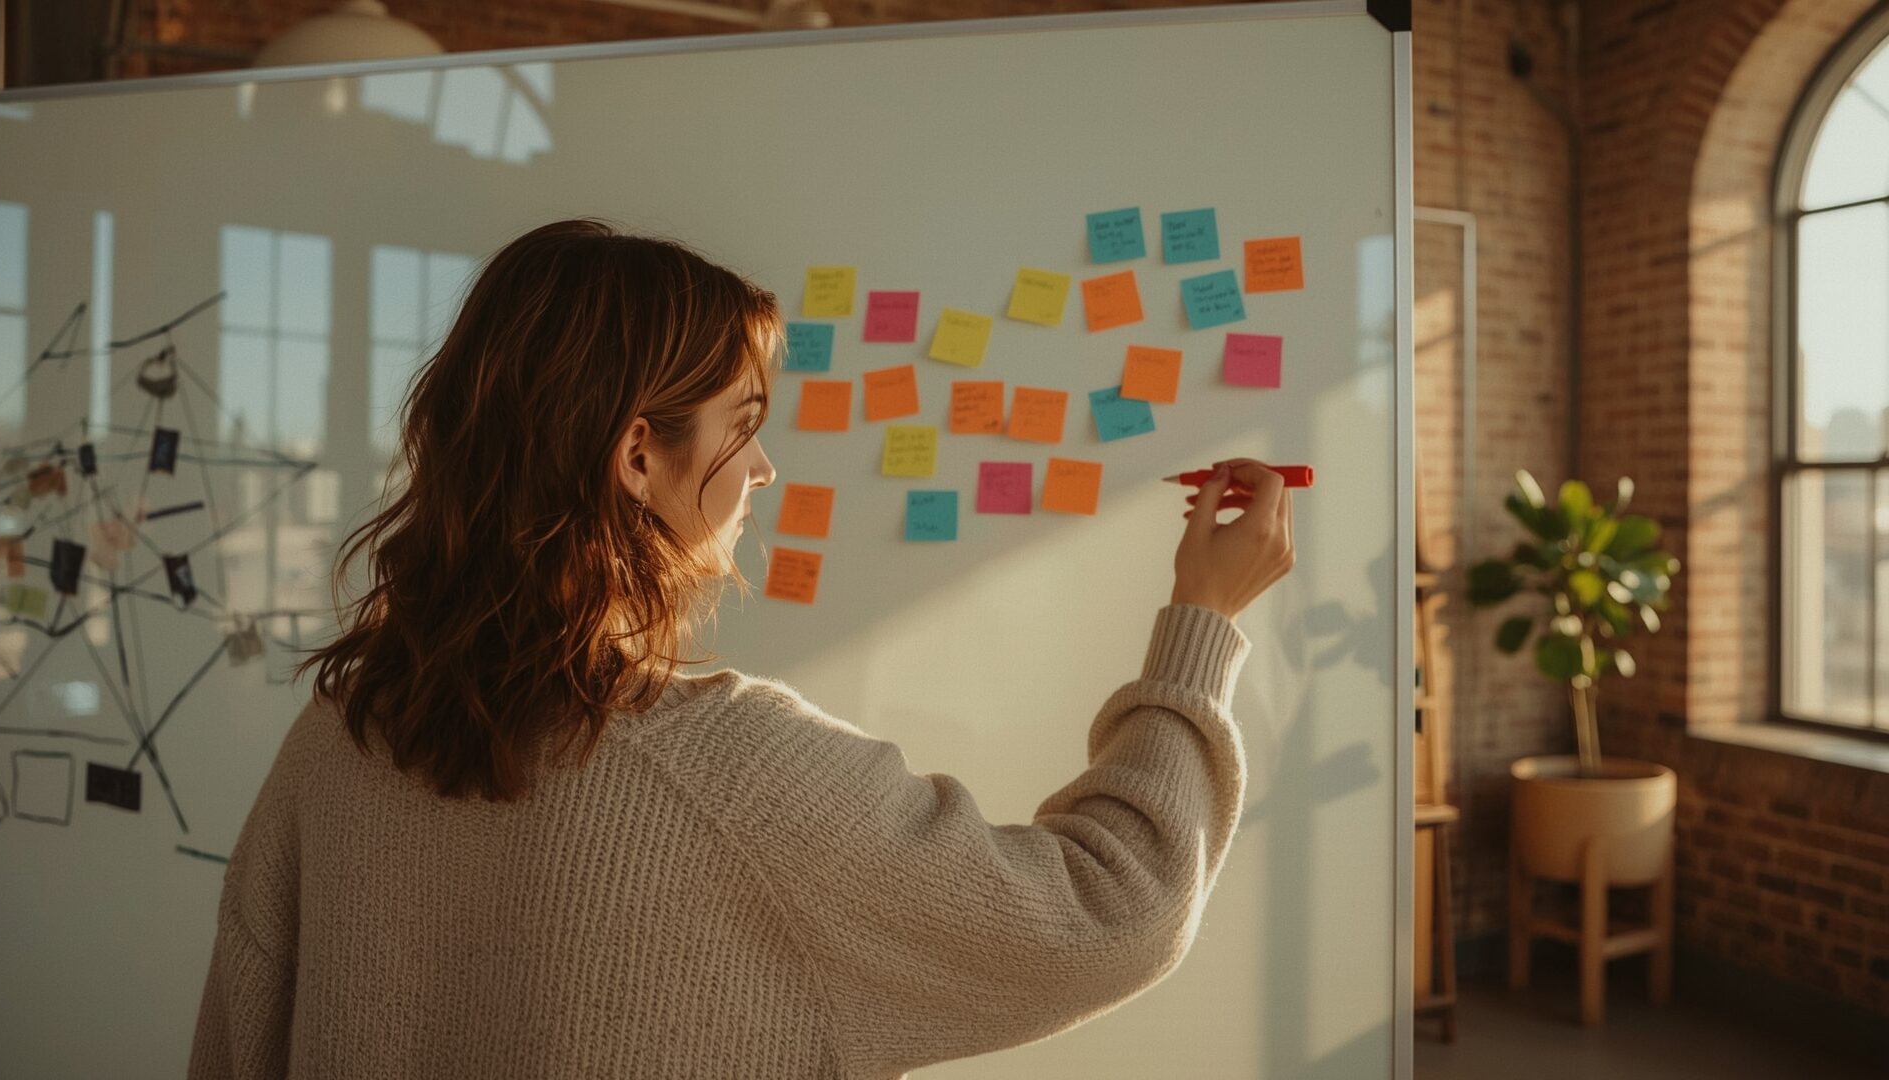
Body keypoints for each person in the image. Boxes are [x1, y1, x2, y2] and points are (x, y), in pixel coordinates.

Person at [188, 218, 1294, 1080]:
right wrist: (1203, 619)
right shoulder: (737, 771)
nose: (763, 470)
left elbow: (232, 1056)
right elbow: (1112, 911)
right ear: (636, 455)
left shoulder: (337, 741)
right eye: (742, 425)